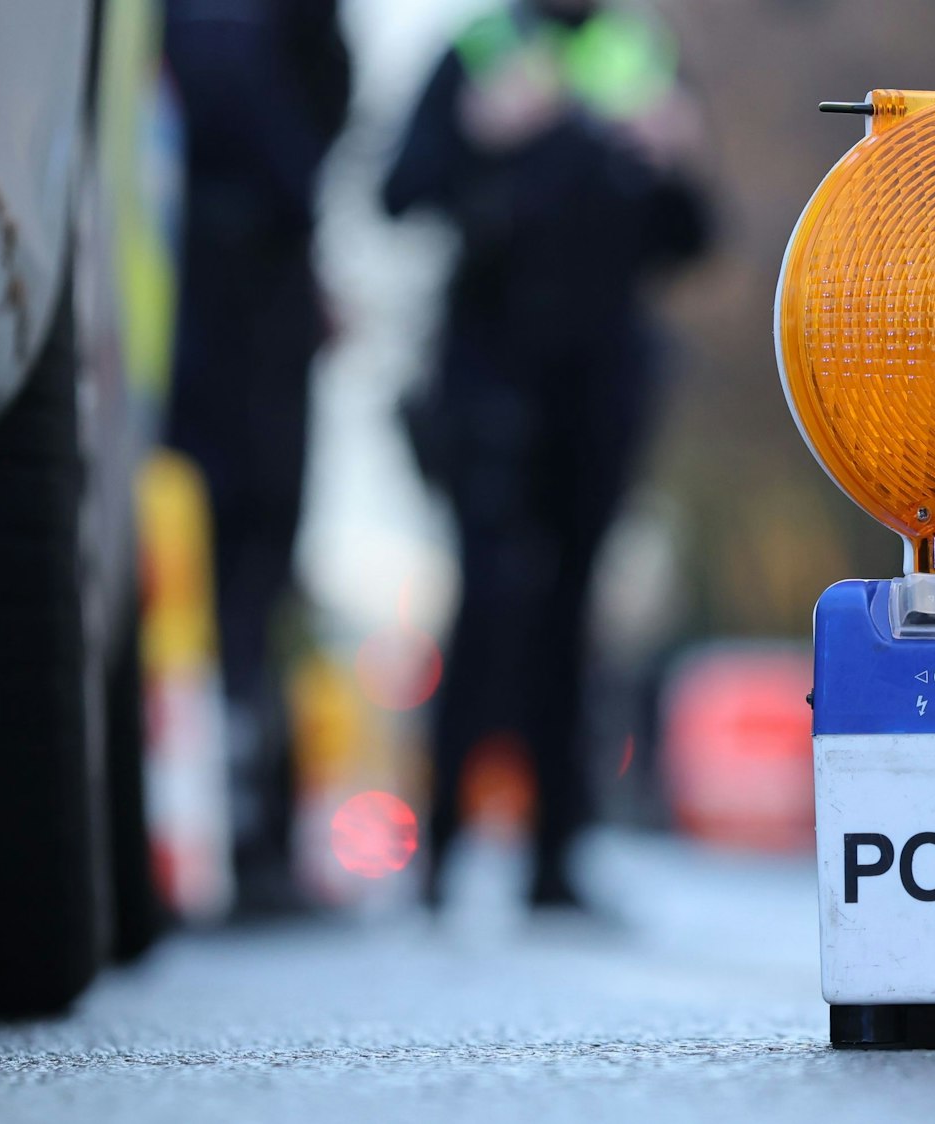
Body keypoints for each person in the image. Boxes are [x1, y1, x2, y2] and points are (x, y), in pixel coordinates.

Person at [383, 0, 711, 910]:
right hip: (490, 376)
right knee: (489, 604)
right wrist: (479, 136)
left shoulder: (642, 58)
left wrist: (674, 161)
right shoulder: (477, 55)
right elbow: (400, 191)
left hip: (600, 383)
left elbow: (691, 237)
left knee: (573, 610)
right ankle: (441, 849)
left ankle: (555, 860)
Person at [164, 0, 352, 913]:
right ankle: (239, 835)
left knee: (237, 581)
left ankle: (242, 830)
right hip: (229, 308)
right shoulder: (234, 27)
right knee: (234, 576)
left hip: (228, 294)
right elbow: (289, 123)